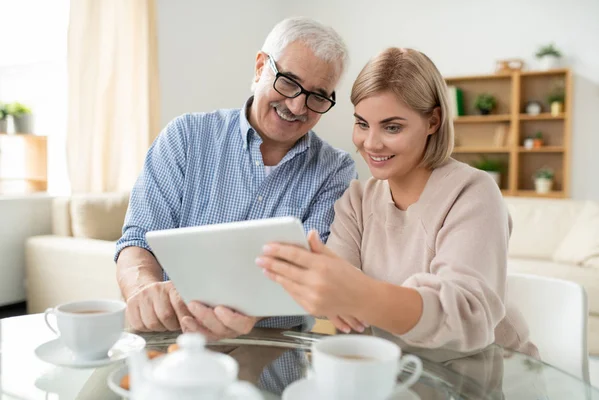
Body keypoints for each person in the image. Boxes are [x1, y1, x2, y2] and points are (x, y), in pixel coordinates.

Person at [257, 47, 538, 356]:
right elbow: (337, 310)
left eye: (392, 127)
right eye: (362, 124)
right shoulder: (357, 201)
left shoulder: (472, 192)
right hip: (398, 372)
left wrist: (360, 295)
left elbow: (466, 317)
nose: (371, 143)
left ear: (433, 121)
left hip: (485, 373)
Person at [115, 17, 356, 340]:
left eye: (318, 96)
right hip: (174, 341)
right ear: (260, 68)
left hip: (274, 348)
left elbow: (315, 274)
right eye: (287, 81)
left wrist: (253, 311)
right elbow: (137, 240)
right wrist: (144, 289)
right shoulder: (185, 136)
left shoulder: (335, 170)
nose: (297, 105)